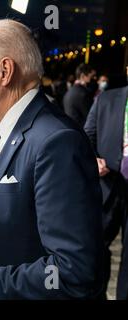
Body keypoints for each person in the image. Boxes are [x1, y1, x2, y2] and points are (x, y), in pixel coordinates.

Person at [0, 19, 104, 300]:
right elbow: (21, 208)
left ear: (5, 71)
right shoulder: (1, 128)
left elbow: (73, 272)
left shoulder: (57, 143)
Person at [84, 67, 128, 300]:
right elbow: (86, 138)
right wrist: (94, 159)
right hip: (108, 186)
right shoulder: (107, 99)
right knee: (95, 248)